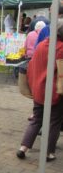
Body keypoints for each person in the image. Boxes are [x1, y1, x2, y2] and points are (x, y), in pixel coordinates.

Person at [16, 19, 63, 161]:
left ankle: (23, 148)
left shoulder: (42, 45)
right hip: (55, 91)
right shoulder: (61, 48)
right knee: (54, 122)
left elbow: (32, 67)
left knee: (37, 119)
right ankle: (49, 153)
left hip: (38, 89)